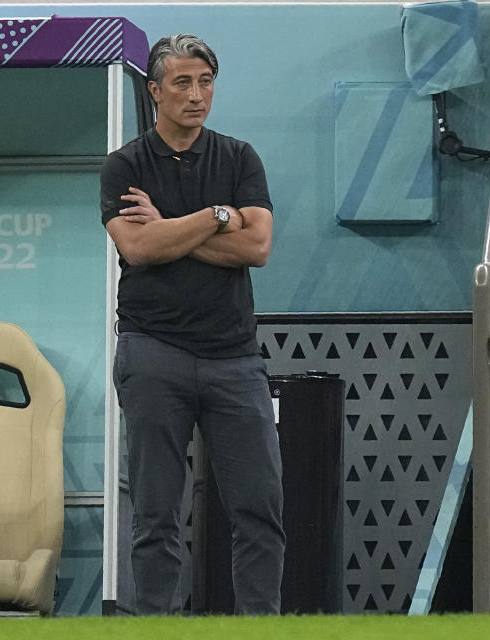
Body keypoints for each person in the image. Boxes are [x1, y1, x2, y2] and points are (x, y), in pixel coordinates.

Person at [101, 34, 286, 615]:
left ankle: (260, 627)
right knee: (156, 511)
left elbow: (256, 247)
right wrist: (215, 217)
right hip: (152, 353)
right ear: (154, 90)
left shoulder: (239, 157)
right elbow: (139, 245)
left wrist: (174, 229)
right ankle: (156, 624)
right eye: (182, 82)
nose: (196, 95)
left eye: (205, 82)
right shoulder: (126, 164)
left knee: (260, 508)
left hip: (236, 358)